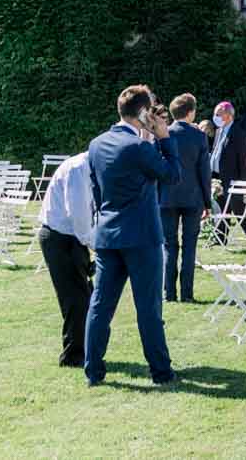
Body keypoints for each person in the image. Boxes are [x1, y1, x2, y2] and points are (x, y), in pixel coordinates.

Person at [82, 84, 180, 387]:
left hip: (108, 234)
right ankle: (161, 372)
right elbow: (172, 174)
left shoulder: (97, 144)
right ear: (141, 112)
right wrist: (164, 138)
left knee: (100, 306)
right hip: (141, 236)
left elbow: (97, 190)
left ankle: (93, 371)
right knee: (148, 308)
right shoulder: (138, 147)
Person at [38, 150, 96, 368]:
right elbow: (79, 216)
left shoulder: (87, 167)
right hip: (61, 238)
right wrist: (97, 245)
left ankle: (84, 349)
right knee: (76, 300)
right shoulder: (78, 169)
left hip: (72, 238)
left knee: (85, 297)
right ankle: (73, 356)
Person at [157, 94, 211, 304]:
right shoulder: (198, 136)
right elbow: (204, 172)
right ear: (190, 113)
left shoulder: (164, 134)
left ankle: (168, 293)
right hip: (192, 197)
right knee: (190, 246)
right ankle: (187, 293)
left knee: (169, 246)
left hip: (167, 196)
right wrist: (207, 201)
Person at [209, 100, 246, 245]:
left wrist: (244, 183)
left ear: (228, 115)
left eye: (218, 114)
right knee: (221, 208)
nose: (215, 117)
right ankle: (220, 237)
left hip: (234, 179)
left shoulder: (238, 133)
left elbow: (243, 159)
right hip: (218, 177)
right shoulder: (219, 131)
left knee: (238, 208)